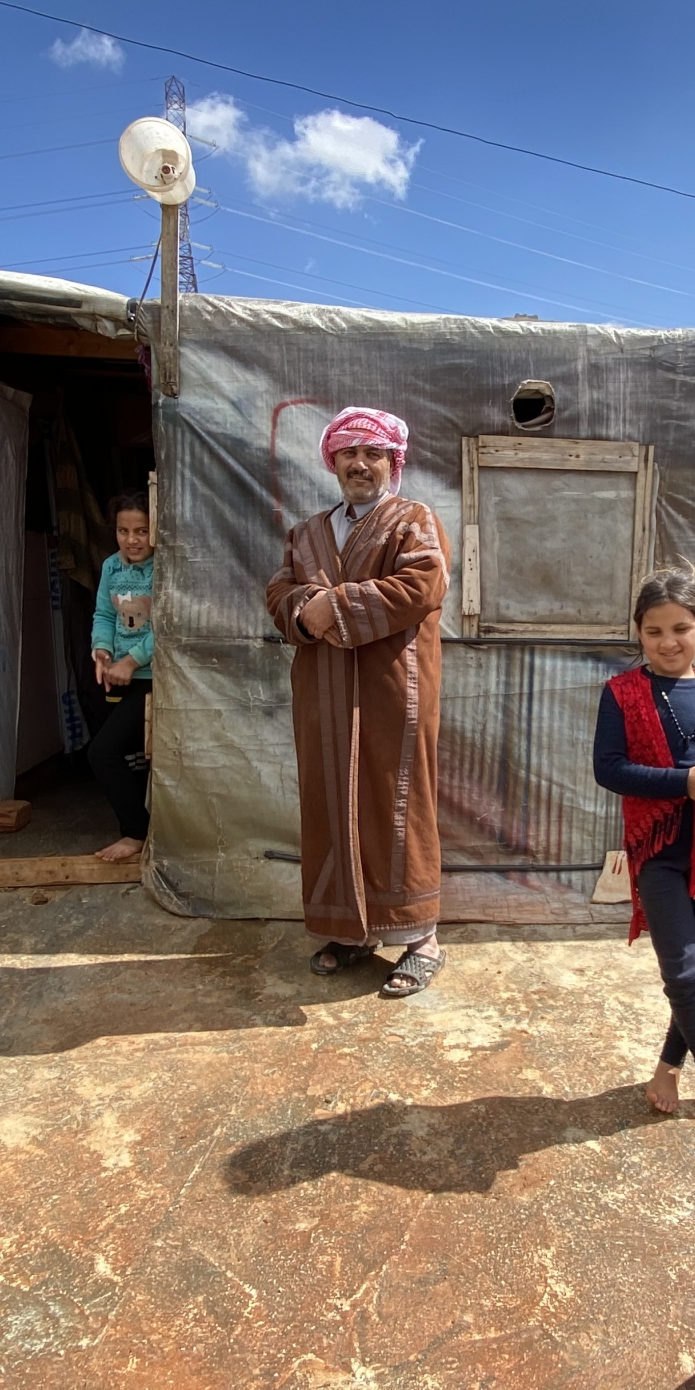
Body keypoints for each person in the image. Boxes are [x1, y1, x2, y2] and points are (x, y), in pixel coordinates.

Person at [264, 406, 451, 997]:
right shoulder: (308, 532)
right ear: (333, 462)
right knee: (329, 801)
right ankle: (351, 931)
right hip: (322, 693)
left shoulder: (413, 520)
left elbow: (421, 585)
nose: (359, 463)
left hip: (395, 691)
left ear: (392, 462)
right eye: (348, 453)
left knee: (397, 803)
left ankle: (422, 939)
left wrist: (332, 608)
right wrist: (300, 608)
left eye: (372, 453)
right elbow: (279, 588)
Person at [592, 569, 695, 1135]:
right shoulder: (622, 695)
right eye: (654, 630)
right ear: (638, 633)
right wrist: (686, 783)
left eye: (681, 628)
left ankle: (667, 1066)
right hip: (658, 851)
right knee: (684, 973)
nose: (668, 642)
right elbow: (608, 769)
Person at [88, 494, 156, 864]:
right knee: (117, 753)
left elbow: (169, 624)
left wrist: (132, 661)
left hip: (154, 678)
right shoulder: (111, 567)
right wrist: (102, 650)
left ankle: (136, 832)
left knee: (104, 752)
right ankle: (141, 828)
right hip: (119, 677)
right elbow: (103, 613)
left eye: (142, 530)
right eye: (124, 530)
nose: (133, 539)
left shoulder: (165, 567)